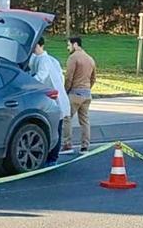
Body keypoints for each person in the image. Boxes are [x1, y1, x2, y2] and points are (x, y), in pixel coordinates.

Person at [31, 37, 69, 166]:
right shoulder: (46, 59)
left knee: (55, 129)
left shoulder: (44, 60)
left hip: (53, 99)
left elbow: (41, 77)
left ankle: (52, 158)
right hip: (50, 98)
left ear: (38, 45)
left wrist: (27, 84)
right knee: (53, 128)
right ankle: (50, 156)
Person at [62, 36, 97, 154]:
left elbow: (69, 77)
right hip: (87, 93)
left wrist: (65, 91)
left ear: (75, 44)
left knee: (66, 118)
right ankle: (85, 146)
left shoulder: (73, 58)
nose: (68, 48)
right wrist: (87, 88)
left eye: (68, 45)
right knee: (85, 121)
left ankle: (67, 145)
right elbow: (93, 78)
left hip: (75, 93)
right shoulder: (90, 59)